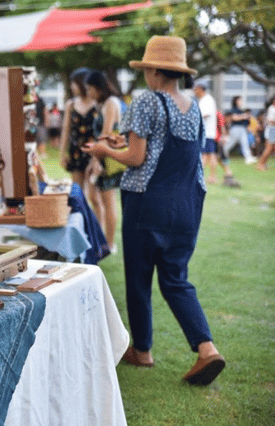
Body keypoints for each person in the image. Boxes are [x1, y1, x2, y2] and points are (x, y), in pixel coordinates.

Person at [82, 36, 225, 386]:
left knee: (139, 278)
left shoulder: (147, 101)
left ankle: (142, 350)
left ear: (152, 71)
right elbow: (161, 147)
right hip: (188, 205)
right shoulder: (193, 105)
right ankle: (206, 349)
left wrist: (104, 150)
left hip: (148, 204)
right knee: (175, 279)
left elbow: (136, 157)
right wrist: (121, 143)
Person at [85, 70, 123, 253]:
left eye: (90, 88)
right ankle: (103, 239)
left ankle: (109, 244)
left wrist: (96, 160)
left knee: (109, 201)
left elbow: (106, 134)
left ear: (99, 88)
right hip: (102, 156)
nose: (89, 92)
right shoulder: (103, 104)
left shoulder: (111, 103)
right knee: (96, 197)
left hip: (108, 158)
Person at [60, 68, 97, 199]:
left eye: (74, 83)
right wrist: (62, 153)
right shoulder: (71, 104)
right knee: (77, 192)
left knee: (94, 197)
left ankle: (98, 220)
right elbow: (65, 130)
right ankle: (82, 219)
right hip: (75, 152)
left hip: (94, 153)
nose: (71, 86)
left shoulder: (97, 104)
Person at [193, 82, 219, 184]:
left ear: (200, 89)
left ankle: (210, 177)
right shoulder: (204, 100)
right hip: (207, 132)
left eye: (195, 89)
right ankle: (209, 177)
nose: (194, 91)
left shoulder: (207, 100)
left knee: (207, 155)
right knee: (208, 155)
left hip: (207, 132)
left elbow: (205, 114)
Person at [224, 96, 258, 164]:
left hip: (243, 129)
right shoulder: (234, 109)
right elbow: (234, 118)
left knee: (245, 143)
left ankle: (248, 158)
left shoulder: (241, 110)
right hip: (236, 128)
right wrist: (244, 116)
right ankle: (221, 154)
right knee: (229, 144)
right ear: (236, 101)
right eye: (240, 100)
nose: (241, 102)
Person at [214, 110, 241, 187]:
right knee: (219, 157)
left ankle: (228, 172)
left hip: (217, 139)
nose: (230, 120)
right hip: (217, 139)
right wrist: (224, 137)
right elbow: (222, 128)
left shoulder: (218, 114)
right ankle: (228, 172)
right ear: (227, 116)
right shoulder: (220, 115)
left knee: (220, 157)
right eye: (230, 118)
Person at [257, 96, 275, 171]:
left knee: (271, 149)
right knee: (268, 148)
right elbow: (271, 121)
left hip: (273, 130)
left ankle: (263, 163)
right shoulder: (271, 109)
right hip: (272, 130)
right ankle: (260, 164)